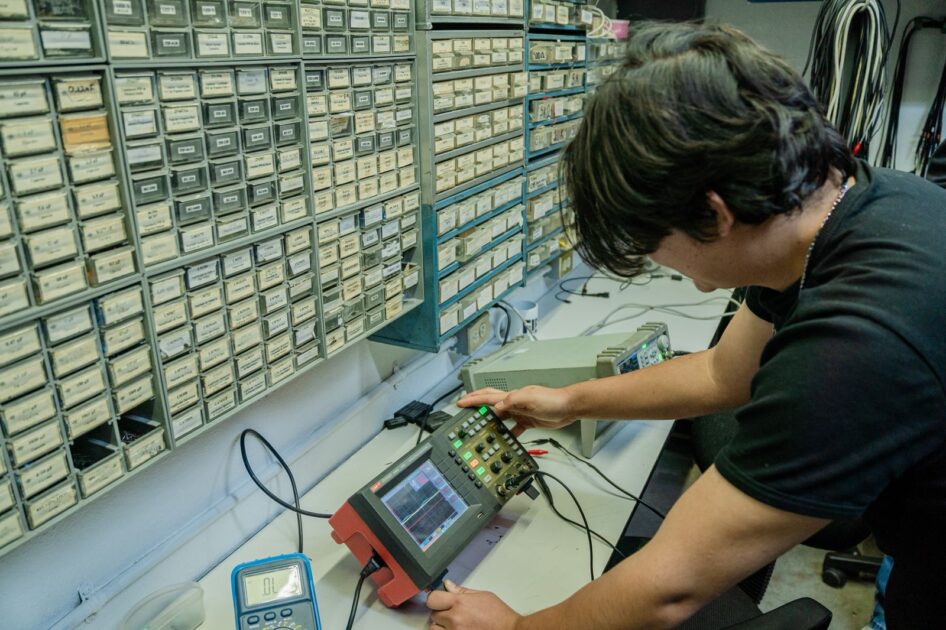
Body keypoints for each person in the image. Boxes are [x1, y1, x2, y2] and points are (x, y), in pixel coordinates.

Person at [425, 21, 946, 630]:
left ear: (712, 214)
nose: (657, 261)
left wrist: (516, 629)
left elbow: (668, 590)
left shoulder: (854, 347)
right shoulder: (858, 207)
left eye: (650, 242)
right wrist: (570, 401)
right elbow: (724, 373)